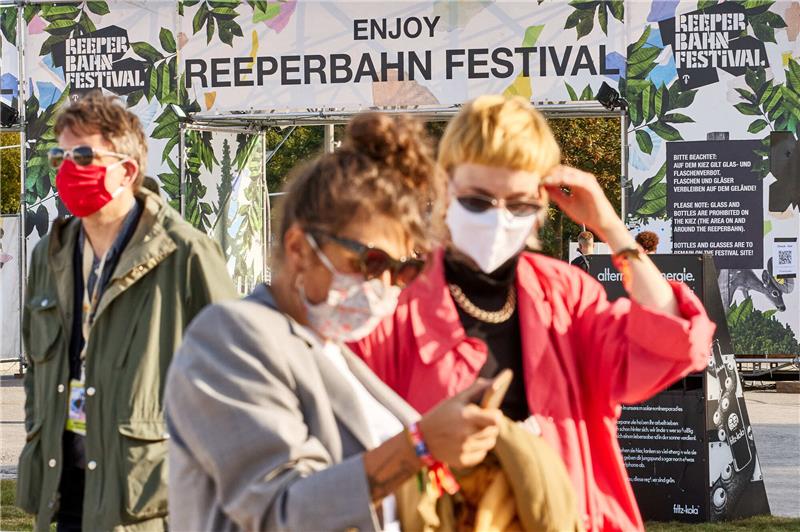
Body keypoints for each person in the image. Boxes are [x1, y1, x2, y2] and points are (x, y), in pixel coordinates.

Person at [351, 95, 716, 532]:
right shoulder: (396, 311)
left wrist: (611, 228)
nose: (499, 219)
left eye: (520, 204)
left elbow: (676, 341)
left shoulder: (567, 296)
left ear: (541, 206)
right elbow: (351, 460)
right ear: (445, 189)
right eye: (478, 201)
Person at [164, 113, 504, 531]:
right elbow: (281, 513)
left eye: (401, 271)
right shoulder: (231, 337)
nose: (384, 286)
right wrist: (421, 444)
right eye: (370, 261)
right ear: (298, 249)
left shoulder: (335, 354)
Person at [16, 92, 236, 531]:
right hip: (64, 495)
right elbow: (38, 379)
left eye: (83, 155)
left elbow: (237, 379)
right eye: (60, 154)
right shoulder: (50, 255)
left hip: (147, 506)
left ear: (127, 170)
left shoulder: (184, 254)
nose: (66, 168)